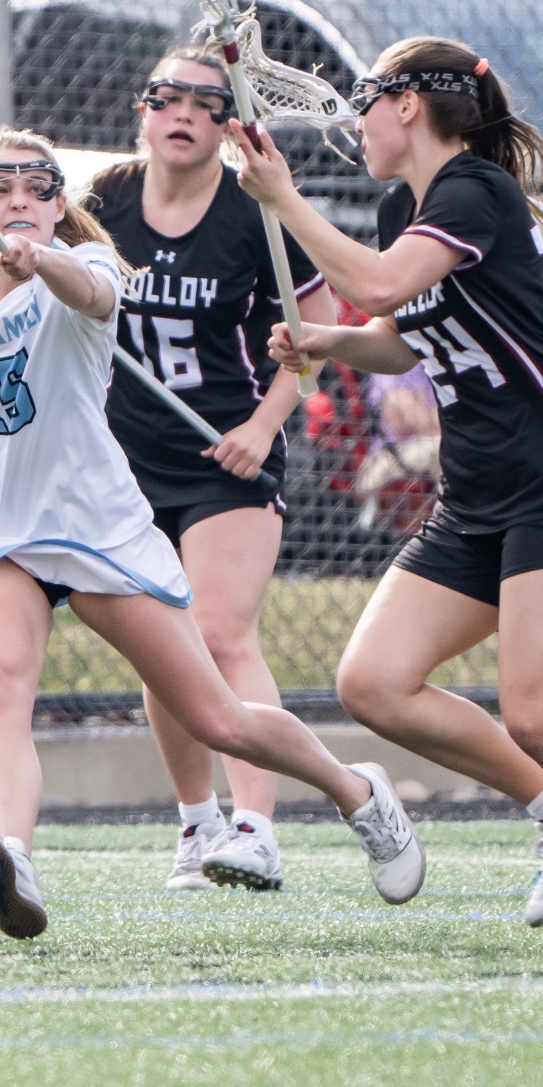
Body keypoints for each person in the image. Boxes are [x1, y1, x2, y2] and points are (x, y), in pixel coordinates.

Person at [0, 126, 425, 939]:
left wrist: (45, 262)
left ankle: (357, 793)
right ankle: (14, 860)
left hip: (93, 527)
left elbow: (90, 294)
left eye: (37, 187)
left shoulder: (89, 266)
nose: (17, 201)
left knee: (216, 717)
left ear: (61, 204)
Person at [236, 36, 543, 949]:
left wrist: (286, 202)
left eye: (365, 100)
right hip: (477, 490)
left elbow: (382, 281)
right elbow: (402, 330)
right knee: (375, 683)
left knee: (539, 714)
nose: (354, 119)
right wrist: (328, 340)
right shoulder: (411, 202)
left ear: (407, 105)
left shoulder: (474, 190)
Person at [89, 47, 338, 891]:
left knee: (219, 633)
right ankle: (196, 827)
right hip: (120, 463)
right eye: (167, 97)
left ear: (229, 122)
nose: (183, 113)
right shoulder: (103, 201)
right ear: (143, 109)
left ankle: (256, 827)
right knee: (165, 651)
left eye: (206, 101)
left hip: (223, 454)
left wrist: (266, 424)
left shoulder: (247, 213)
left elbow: (317, 317)